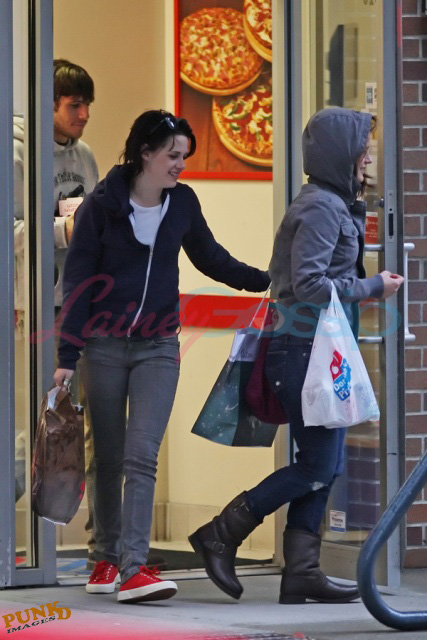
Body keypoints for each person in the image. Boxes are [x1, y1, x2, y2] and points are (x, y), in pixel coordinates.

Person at [53, 109, 270, 604]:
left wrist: (264, 279)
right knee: (107, 457)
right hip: (103, 347)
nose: (180, 165)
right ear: (145, 153)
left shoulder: (182, 203)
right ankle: (105, 558)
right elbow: (79, 282)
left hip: (158, 346)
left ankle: (133, 567)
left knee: (141, 455)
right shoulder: (101, 207)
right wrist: (67, 355)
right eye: (173, 155)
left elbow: (211, 257)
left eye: (184, 157)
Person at [188, 108, 404, 605]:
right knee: (316, 466)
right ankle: (221, 531)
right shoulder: (321, 208)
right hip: (305, 350)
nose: (367, 158)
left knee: (325, 463)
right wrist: (373, 286)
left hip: (318, 350)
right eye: (361, 150)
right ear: (339, 155)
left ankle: (303, 571)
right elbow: (308, 283)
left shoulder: (332, 203)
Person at [14, 59, 98, 563]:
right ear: (47, 105)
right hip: (30, 304)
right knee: (32, 426)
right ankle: (21, 538)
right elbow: (11, 229)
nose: (84, 115)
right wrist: (64, 229)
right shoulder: (17, 152)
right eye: (74, 105)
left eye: (88, 106)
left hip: (78, 304)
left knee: (72, 424)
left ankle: (92, 546)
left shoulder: (84, 155)